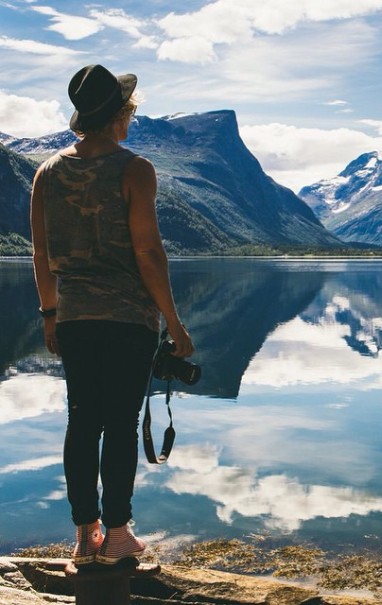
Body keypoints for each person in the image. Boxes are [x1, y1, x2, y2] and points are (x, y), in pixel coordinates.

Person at [30, 64, 194, 566]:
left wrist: (50, 315)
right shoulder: (134, 169)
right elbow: (147, 253)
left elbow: (41, 255)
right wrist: (175, 322)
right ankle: (118, 535)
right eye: (129, 112)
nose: (131, 119)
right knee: (120, 425)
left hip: (74, 319)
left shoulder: (47, 171)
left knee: (82, 422)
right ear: (118, 115)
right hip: (128, 319)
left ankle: (85, 536)